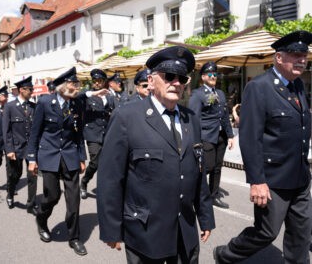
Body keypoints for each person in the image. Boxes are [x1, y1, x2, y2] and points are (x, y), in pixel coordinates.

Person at [97, 46, 215, 263]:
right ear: (151, 81)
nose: (176, 83)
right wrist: (111, 228)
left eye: (182, 78)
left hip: (184, 229)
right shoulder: (127, 117)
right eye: (169, 76)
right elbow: (110, 178)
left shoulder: (191, 119)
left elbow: (198, 173)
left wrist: (205, 217)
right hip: (145, 232)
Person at [214, 31, 312, 264]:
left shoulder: (298, 85)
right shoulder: (259, 87)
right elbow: (250, 138)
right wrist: (257, 181)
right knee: (266, 232)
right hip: (273, 179)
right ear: (279, 57)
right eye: (295, 55)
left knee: (301, 234)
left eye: (304, 55)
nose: (302, 59)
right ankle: (226, 255)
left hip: (299, 176)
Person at [27, 67, 88, 256]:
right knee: (52, 196)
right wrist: (31, 158)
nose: (76, 87)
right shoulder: (45, 102)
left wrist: (82, 157)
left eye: (77, 84)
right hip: (49, 155)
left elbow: (79, 133)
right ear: (62, 86)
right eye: (73, 84)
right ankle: (41, 218)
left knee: (74, 199)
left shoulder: (77, 104)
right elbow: (35, 132)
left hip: (70, 155)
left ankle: (74, 238)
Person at [188, 61, 234, 209]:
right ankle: (193, 194)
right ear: (203, 77)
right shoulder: (198, 94)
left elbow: (225, 115)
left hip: (221, 136)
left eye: (215, 74)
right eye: (210, 74)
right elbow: (194, 118)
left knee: (218, 167)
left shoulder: (220, 93)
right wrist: (195, 139)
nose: (214, 76)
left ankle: (213, 196)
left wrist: (231, 135)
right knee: (207, 167)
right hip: (206, 135)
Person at [2, 76, 37, 214]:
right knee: (14, 175)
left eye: (32, 89)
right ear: (21, 90)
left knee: (32, 175)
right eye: (30, 89)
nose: (32, 91)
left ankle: (31, 203)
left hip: (31, 148)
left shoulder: (34, 106)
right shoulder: (10, 107)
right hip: (16, 148)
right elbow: (6, 131)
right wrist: (9, 149)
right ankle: (10, 194)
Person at [79, 68, 115, 199]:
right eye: (95, 81)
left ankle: (105, 187)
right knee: (95, 162)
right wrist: (94, 93)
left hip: (107, 134)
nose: (97, 83)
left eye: (100, 81)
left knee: (108, 162)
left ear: (104, 81)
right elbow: (78, 97)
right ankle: (84, 182)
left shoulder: (110, 97)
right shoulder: (87, 96)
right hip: (93, 134)